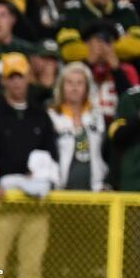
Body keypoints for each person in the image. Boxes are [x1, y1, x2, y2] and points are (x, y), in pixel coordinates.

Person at [0, 52, 56, 278]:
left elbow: (50, 153)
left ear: (28, 79)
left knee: (32, 267)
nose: (16, 82)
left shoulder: (40, 115)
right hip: (3, 201)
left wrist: (41, 177)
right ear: (4, 80)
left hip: (34, 203)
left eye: (20, 77)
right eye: (11, 77)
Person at [49, 61, 108, 191]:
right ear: (61, 86)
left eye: (79, 83)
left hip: (95, 189)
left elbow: (105, 151)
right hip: (60, 189)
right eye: (69, 82)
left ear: (87, 87)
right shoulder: (51, 116)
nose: (74, 87)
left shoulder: (97, 115)